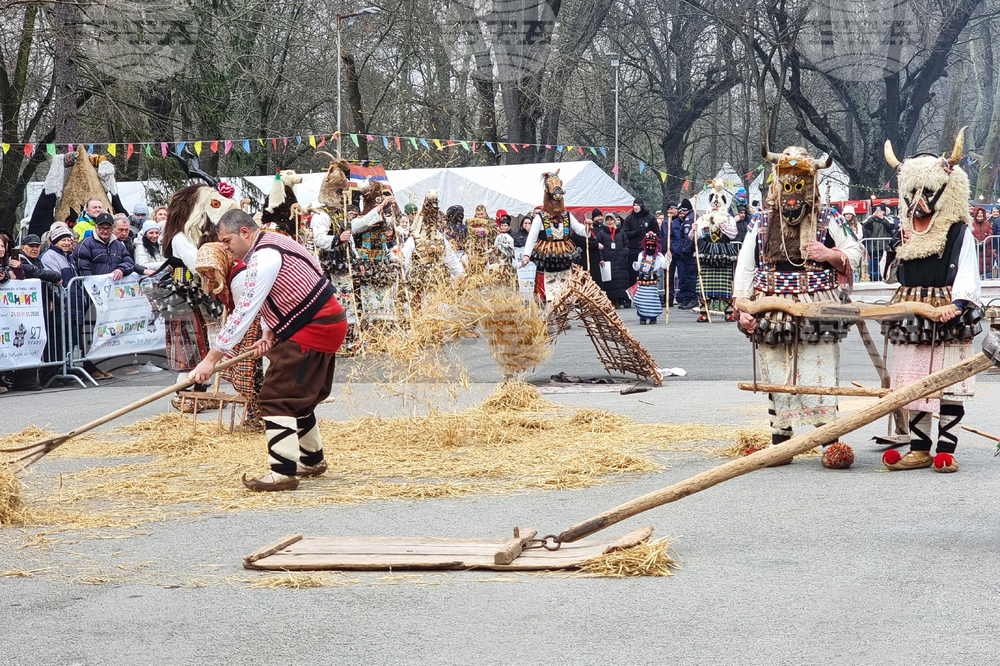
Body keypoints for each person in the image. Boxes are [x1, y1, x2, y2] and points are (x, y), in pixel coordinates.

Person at [190, 210, 348, 491]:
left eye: (227, 240)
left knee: (277, 397)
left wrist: (210, 360)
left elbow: (245, 312)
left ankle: (283, 471)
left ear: (245, 233)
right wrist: (269, 332)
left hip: (313, 326)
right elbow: (277, 297)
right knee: (299, 397)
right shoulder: (276, 242)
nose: (225, 248)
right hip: (322, 321)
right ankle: (312, 460)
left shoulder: (264, 256)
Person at [734, 145, 862, 469]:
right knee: (776, 368)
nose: (793, 192)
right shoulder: (761, 221)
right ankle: (781, 441)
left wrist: (829, 254)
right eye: (787, 183)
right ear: (777, 183)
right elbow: (746, 265)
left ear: (811, 183)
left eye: (800, 183)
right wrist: (742, 304)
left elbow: (854, 251)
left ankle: (828, 441)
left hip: (816, 304)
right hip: (771, 305)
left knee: (818, 369)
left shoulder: (828, 217)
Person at [880, 132, 983, 473]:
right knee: (912, 379)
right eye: (913, 192)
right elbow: (888, 275)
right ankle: (919, 447)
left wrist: (959, 303)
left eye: (926, 191)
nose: (918, 199)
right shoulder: (903, 229)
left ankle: (947, 448)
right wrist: (897, 246)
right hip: (911, 310)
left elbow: (968, 271)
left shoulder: (958, 231)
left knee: (949, 380)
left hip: (946, 309)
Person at [694, 181, 740, 322]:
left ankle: (729, 311)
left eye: (718, 202)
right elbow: (694, 236)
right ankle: (704, 310)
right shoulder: (703, 218)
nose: (715, 205)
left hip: (723, 252)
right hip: (707, 252)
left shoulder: (728, 218)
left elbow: (733, 234)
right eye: (713, 203)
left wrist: (722, 225)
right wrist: (695, 229)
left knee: (725, 283)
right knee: (704, 282)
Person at [75, 212, 136, 278]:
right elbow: (83, 269)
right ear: (96, 228)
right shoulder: (85, 244)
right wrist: (93, 284)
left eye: (108, 228)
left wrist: (121, 269)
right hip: (93, 286)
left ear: (112, 229)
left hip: (114, 285)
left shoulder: (119, 245)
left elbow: (129, 262)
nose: (105, 231)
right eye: (102, 228)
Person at [595, 212, 631, 307]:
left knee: (620, 280)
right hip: (608, 260)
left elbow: (627, 244)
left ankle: (619, 300)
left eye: (611, 219)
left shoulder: (621, 232)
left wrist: (624, 253)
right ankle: (611, 301)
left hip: (620, 260)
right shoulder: (601, 233)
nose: (610, 222)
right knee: (610, 282)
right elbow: (599, 248)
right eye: (608, 220)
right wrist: (601, 258)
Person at [632, 231, 667, 324]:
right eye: (648, 245)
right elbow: (638, 266)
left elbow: (664, 266)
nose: (650, 247)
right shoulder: (641, 254)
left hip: (652, 280)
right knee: (640, 298)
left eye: (652, 245)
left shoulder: (659, 256)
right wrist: (635, 265)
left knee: (652, 299)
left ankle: (652, 317)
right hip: (642, 279)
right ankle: (642, 316)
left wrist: (668, 257)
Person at [671, 199, 698, 309]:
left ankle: (693, 299)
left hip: (689, 253)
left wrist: (684, 251)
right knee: (686, 277)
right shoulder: (694, 217)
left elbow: (688, 238)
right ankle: (687, 299)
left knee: (690, 277)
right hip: (690, 252)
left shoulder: (689, 220)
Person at [862, 204, 892, 279]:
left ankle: (885, 277)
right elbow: (865, 225)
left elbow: (891, 226)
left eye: (881, 210)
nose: (879, 212)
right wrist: (872, 217)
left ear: (884, 211)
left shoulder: (889, 218)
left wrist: (883, 219)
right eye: (877, 210)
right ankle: (873, 277)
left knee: (885, 265)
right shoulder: (871, 219)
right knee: (873, 266)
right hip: (874, 247)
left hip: (884, 246)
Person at [970, 205, 993, 276]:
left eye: (981, 213)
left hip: (986, 247)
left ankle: (984, 274)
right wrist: (976, 242)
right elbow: (971, 234)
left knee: (986, 262)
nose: (980, 215)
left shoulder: (988, 224)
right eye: (978, 213)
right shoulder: (972, 224)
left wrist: (985, 242)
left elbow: (990, 234)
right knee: (976, 262)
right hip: (975, 247)